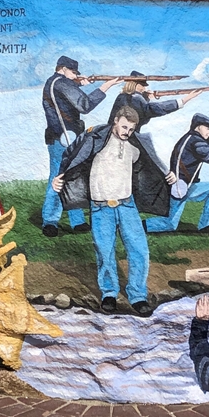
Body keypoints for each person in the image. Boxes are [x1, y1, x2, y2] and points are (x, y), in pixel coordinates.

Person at [51, 106, 174, 316]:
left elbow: (150, 163)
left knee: (139, 250)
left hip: (127, 205)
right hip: (100, 208)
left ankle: (138, 296)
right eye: (124, 126)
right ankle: (109, 294)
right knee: (104, 250)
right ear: (115, 121)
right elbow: (73, 156)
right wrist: (59, 177)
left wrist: (167, 174)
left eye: (131, 129)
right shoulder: (95, 139)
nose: (127, 132)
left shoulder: (134, 146)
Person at [41, 57, 122, 238]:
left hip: (68, 137)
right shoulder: (61, 82)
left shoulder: (59, 82)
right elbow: (84, 105)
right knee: (59, 177)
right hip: (63, 138)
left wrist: (83, 85)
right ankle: (50, 221)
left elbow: (70, 98)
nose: (75, 75)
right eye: (73, 72)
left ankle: (76, 220)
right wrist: (105, 86)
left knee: (75, 176)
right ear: (63, 69)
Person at [144, 114, 209, 235]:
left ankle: (208, 226)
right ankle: (139, 225)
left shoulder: (191, 138)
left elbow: (200, 151)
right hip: (180, 186)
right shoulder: (196, 141)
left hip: (184, 184)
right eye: (208, 129)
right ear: (198, 127)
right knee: (170, 224)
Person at [106, 70, 202, 129]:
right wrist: (184, 100)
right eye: (142, 85)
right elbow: (152, 110)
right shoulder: (135, 97)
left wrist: (147, 99)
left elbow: (142, 115)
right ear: (135, 84)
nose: (144, 88)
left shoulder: (124, 96)